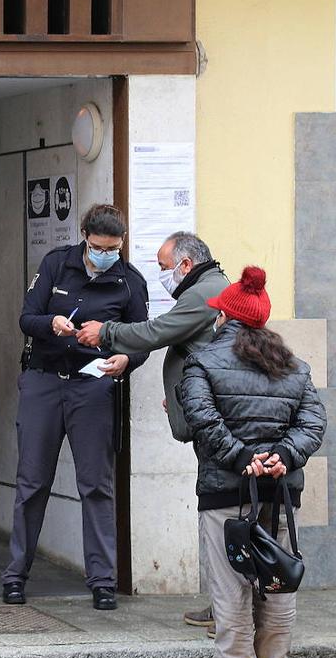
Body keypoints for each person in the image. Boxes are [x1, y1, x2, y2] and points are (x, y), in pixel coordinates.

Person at [176, 266, 326, 658]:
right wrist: (282, 456)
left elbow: (202, 419)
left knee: (231, 584)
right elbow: (313, 423)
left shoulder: (202, 361)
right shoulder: (295, 367)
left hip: (226, 490)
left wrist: (243, 457)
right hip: (280, 491)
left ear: (223, 317)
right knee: (277, 580)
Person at [75, 231, 229, 632]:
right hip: (210, 413)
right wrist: (180, 396)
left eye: (164, 267)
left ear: (186, 265)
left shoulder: (204, 293)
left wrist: (106, 332)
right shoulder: (210, 286)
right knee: (222, 513)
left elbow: (157, 332)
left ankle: (229, 612)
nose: (161, 275)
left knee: (220, 515)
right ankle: (225, 606)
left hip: (217, 422)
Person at [2, 204, 149, 611]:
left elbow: (141, 339)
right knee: (32, 482)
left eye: (113, 248)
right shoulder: (55, 264)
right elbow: (26, 318)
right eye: (99, 247)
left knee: (96, 485)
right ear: (84, 235)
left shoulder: (130, 281)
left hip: (94, 387)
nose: (105, 255)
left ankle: (103, 581)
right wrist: (51, 324)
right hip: (45, 380)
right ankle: (15, 576)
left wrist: (126, 359)